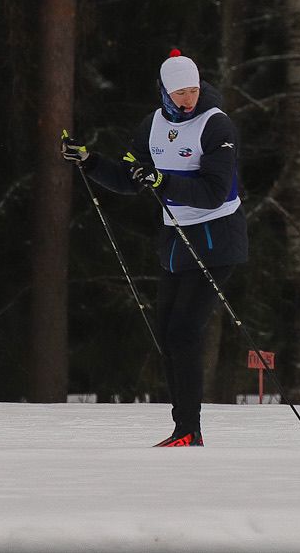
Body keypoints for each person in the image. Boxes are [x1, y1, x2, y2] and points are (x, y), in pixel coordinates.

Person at [62, 50, 247, 447]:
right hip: (176, 244)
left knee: (183, 331)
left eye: (193, 90)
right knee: (168, 332)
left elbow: (215, 192)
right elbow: (133, 180)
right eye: (180, 91)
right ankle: (183, 428)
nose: (188, 99)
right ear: (164, 91)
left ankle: (189, 429)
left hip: (216, 240)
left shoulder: (216, 126)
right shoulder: (152, 125)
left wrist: (161, 181)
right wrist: (90, 162)